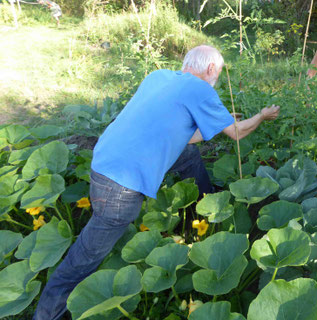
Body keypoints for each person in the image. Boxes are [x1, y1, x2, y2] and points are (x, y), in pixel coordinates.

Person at [33, 45, 280, 320]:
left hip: (103, 163)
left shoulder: (159, 77)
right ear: (211, 69)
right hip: (120, 187)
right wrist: (261, 117)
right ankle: (47, 315)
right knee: (82, 261)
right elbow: (236, 132)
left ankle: (201, 214)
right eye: (218, 73)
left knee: (188, 156)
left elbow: (179, 136)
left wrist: (216, 121)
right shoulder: (201, 89)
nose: (217, 78)